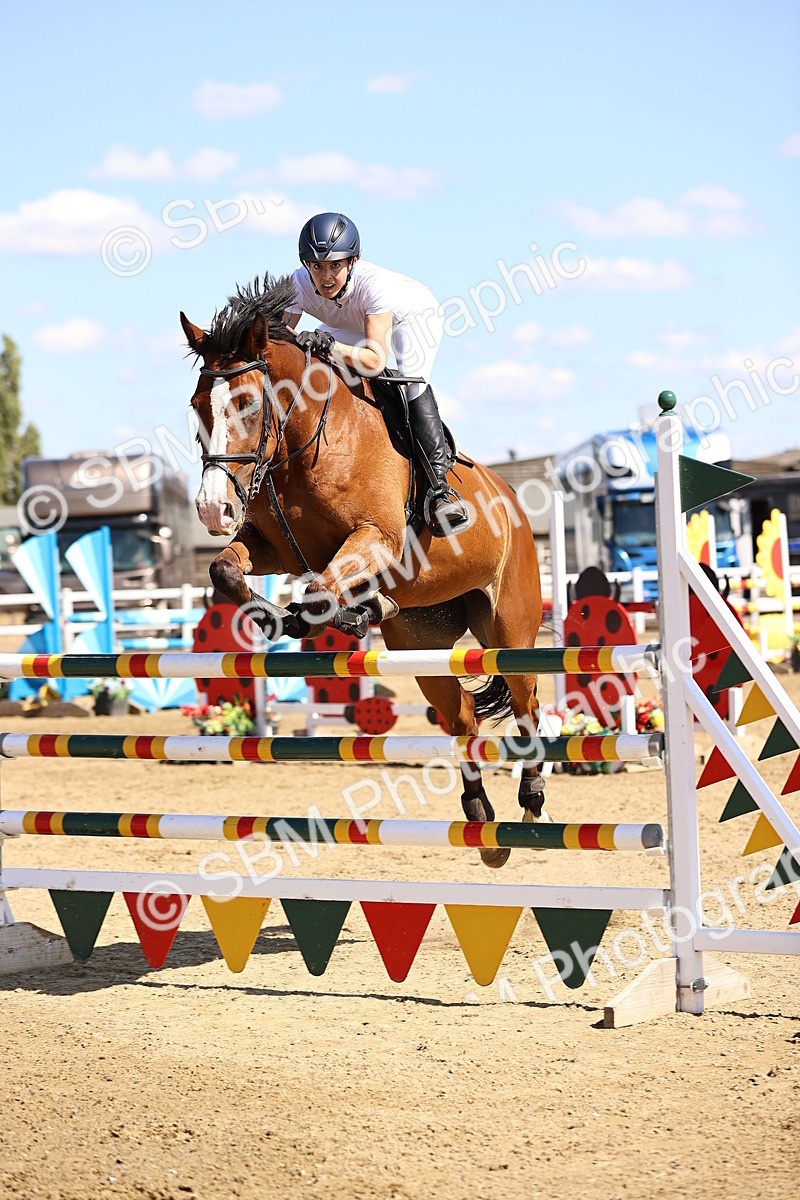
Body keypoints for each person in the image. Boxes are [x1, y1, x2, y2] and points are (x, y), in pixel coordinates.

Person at [282, 212, 470, 536]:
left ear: (352, 261)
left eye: (335, 266)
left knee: (413, 383)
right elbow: (279, 340)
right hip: (348, 324)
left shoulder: (374, 286)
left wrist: (327, 345)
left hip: (411, 317)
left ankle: (439, 491)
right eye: (317, 266)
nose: (326, 277)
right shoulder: (297, 284)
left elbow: (373, 360)